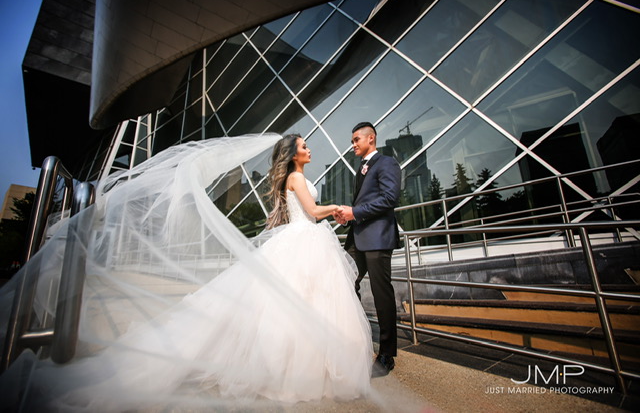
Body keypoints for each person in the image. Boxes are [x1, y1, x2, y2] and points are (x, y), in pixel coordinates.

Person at [0, 134, 374, 411]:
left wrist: (331, 211)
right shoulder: (295, 177)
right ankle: (296, 369)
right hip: (304, 241)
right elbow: (309, 209)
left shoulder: (295, 176)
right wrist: (338, 207)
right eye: (304, 145)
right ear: (293, 154)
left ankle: (301, 366)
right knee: (297, 306)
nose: (309, 148)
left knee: (298, 306)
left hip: (305, 241)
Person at [334, 122, 402, 378]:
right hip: (357, 238)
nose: (353, 145)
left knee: (381, 294)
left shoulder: (387, 164)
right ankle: (356, 340)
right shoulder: (360, 169)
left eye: (355, 140)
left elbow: (389, 199)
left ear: (370, 138)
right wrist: (349, 216)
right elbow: (364, 203)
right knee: (343, 282)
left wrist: (355, 212)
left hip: (377, 239)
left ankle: (386, 353)